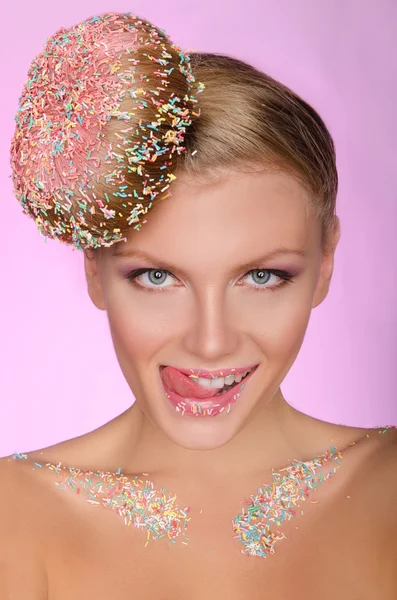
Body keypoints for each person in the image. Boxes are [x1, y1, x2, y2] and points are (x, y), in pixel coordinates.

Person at [1, 11, 396, 599]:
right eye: (157, 276)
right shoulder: (16, 513)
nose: (210, 342)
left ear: (325, 264)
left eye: (262, 276)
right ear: (95, 271)